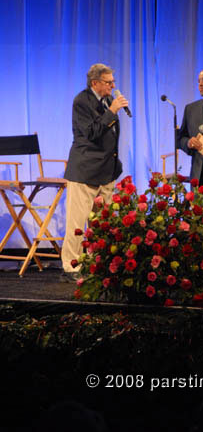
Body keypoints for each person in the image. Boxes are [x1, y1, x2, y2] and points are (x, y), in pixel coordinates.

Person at [61, 63, 129, 281]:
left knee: (102, 224)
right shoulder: (82, 101)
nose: (113, 86)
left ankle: (97, 262)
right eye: (108, 82)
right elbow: (91, 133)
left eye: (113, 82)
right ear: (95, 83)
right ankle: (71, 266)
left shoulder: (108, 100)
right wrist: (111, 112)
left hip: (107, 172)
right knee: (77, 222)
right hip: (85, 172)